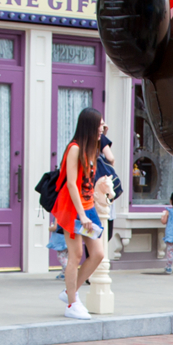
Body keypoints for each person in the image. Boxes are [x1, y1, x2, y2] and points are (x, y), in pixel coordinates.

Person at [52, 106, 105, 319]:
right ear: (90, 126)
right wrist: (82, 215)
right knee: (75, 255)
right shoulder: (74, 148)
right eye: (100, 124)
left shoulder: (91, 148)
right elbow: (72, 184)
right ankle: (72, 304)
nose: (102, 128)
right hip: (73, 208)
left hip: (88, 206)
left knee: (98, 254)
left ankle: (69, 292)